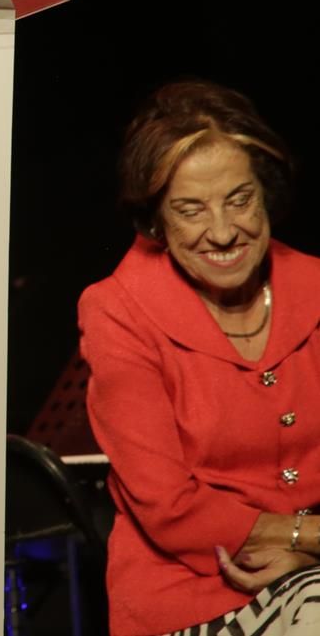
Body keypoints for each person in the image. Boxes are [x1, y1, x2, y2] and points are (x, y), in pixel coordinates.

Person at [81, 79, 320, 635]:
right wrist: (309, 538)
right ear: (156, 221)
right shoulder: (117, 310)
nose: (223, 231)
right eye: (191, 210)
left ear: (266, 193)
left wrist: (306, 556)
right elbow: (170, 509)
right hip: (190, 598)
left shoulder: (314, 284)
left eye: (240, 200)